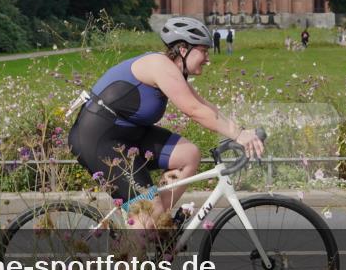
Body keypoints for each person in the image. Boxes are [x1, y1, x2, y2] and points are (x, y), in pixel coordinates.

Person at [68, 16, 263, 238]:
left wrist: (242, 131)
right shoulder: (159, 66)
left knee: (188, 155)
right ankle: (127, 265)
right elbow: (193, 110)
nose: (208, 58)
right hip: (99, 139)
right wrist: (238, 135)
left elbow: (203, 105)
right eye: (203, 51)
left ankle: (157, 226)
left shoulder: (173, 71)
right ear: (183, 49)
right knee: (147, 215)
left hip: (128, 135)